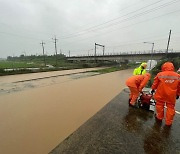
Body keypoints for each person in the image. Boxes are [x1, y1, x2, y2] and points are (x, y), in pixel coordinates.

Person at [151, 62, 180, 126]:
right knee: (170, 108)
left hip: (161, 94)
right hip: (171, 95)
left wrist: (153, 89)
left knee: (159, 105)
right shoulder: (177, 76)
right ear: (172, 67)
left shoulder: (160, 74)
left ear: (163, 67)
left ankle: (159, 117)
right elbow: (179, 86)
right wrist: (178, 94)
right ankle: (168, 122)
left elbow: (155, 84)